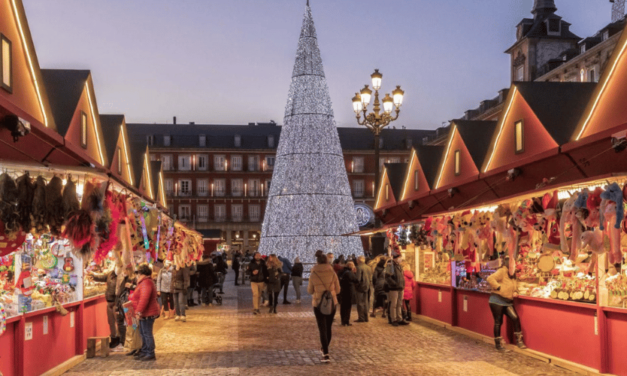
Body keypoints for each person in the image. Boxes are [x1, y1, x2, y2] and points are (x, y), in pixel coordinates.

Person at [487, 257, 527, 350]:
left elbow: (514, 284)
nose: (514, 265)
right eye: (513, 264)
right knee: (498, 322)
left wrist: (516, 291)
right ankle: (498, 344)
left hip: (507, 301)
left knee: (515, 318)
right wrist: (499, 288)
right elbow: (490, 278)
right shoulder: (502, 271)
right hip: (496, 300)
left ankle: (519, 341)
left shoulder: (512, 274)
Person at [308, 252, 340, 363]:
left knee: (322, 328)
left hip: (318, 304)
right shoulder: (332, 273)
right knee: (328, 327)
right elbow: (338, 289)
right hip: (332, 303)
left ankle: (325, 353)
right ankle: (325, 348)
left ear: (317, 261)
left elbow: (310, 290)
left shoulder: (313, 274)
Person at [130, 264, 160, 361]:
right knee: (143, 333)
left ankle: (150, 353)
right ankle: (145, 350)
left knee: (147, 333)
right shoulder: (144, 282)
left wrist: (138, 312)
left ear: (142, 273)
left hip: (147, 313)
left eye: (138, 273)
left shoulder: (146, 283)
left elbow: (144, 299)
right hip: (145, 313)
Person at [89, 263, 122, 348]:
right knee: (111, 322)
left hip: (117, 302)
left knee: (118, 321)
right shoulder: (110, 274)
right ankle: (114, 338)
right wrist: (93, 275)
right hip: (109, 301)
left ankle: (120, 339)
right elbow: (102, 278)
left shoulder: (122, 276)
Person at [385, 253, 408, 326]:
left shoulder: (399, 266)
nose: (400, 259)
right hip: (394, 288)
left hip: (400, 287)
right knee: (394, 304)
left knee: (399, 304)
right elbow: (387, 276)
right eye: (399, 257)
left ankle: (399, 318)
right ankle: (393, 319)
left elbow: (401, 276)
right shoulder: (390, 265)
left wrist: (402, 284)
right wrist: (394, 283)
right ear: (395, 258)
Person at [339, 261, 358, 326]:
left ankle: (343, 321)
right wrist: (354, 273)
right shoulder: (350, 273)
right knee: (348, 307)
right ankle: (346, 321)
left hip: (342, 290)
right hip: (349, 291)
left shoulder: (342, 271)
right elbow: (356, 280)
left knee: (343, 306)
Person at [355, 256, 373, 323]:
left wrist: (356, 286)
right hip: (367, 286)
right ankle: (366, 317)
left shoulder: (359, 267)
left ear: (358, 260)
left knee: (360, 303)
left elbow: (358, 279)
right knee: (366, 302)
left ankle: (361, 317)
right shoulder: (368, 267)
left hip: (360, 287)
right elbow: (370, 277)